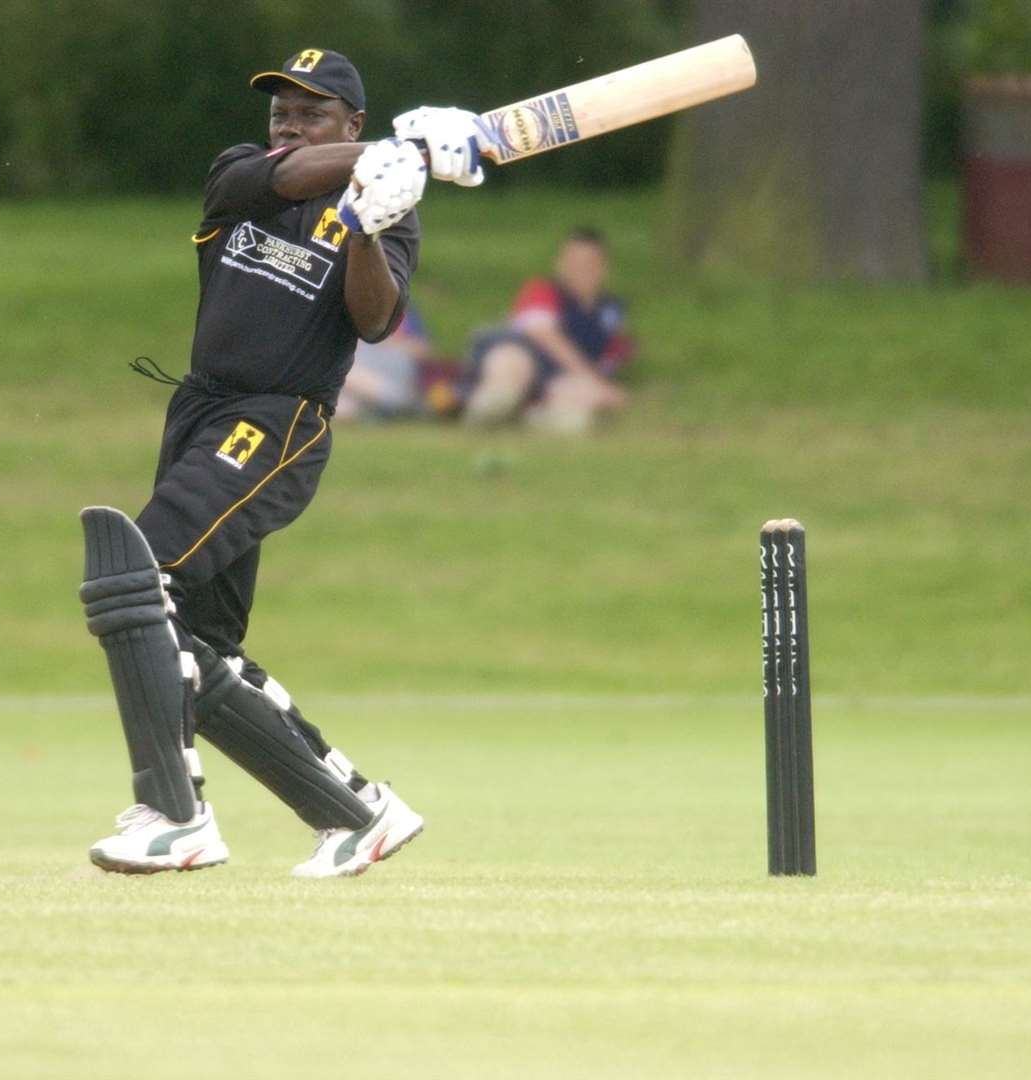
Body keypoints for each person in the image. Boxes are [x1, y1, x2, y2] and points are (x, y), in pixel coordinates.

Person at [76, 49, 489, 878]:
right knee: (196, 641)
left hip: (278, 421)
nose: (291, 125)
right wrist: (389, 154)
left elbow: (374, 323)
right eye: (282, 113)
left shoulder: (387, 208)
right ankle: (355, 812)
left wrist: (370, 220)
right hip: (200, 412)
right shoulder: (241, 175)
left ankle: (174, 813)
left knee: (135, 571)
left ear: (353, 120)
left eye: (314, 111)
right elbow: (289, 175)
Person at [463, 228, 634, 433]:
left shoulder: (610, 312)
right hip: (521, 356)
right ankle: (488, 411)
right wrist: (591, 379)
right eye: (574, 263)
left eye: (589, 264)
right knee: (511, 367)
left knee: (580, 411)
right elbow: (544, 334)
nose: (580, 270)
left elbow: (609, 359)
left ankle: (528, 419)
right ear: (560, 264)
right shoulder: (543, 292)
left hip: (559, 377)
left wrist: (597, 388)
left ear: (603, 268)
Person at [334, 303, 433, 421]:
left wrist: (389, 342)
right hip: (360, 378)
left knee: (344, 376)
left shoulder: (406, 314)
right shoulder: (358, 311)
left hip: (393, 386)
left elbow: (424, 350)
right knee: (343, 406)